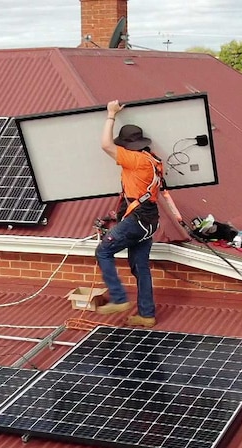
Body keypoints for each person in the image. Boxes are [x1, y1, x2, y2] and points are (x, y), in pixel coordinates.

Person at [95, 100, 162, 327]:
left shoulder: (135, 160)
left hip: (137, 219)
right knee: (140, 266)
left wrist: (111, 114)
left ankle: (119, 298)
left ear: (127, 146)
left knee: (103, 251)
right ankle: (146, 315)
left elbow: (105, 144)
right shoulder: (152, 160)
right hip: (150, 220)